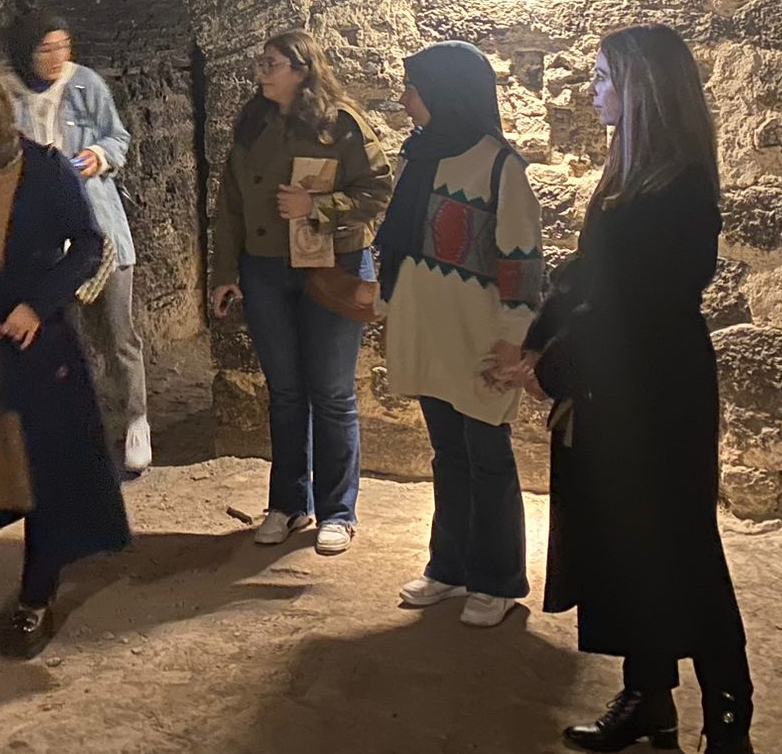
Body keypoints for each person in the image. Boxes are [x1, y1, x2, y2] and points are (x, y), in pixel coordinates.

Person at [488, 26, 753, 754]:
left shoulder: (680, 190)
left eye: (604, 77)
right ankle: (647, 700)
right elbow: (588, 273)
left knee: (682, 550)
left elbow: (638, 310)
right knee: (625, 546)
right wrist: (538, 338)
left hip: (657, 388)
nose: (592, 89)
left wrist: (551, 370)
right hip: (616, 383)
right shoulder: (629, 176)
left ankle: (730, 720)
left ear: (642, 89)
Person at [0, 68, 130, 666]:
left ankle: (35, 599)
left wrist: (38, 304)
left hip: (38, 352)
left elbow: (87, 245)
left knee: (43, 477)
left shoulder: (47, 171)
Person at [374, 41, 547, 629]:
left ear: (446, 92)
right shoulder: (418, 156)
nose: (405, 100)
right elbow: (400, 242)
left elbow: (522, 260)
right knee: (448, 454)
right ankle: (449, 566)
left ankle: (497, 578)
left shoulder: (499, 167)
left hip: (478, 337)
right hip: (429, 329)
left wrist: (514, 335)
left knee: (487, 456)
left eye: (413, 88)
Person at [209, 31, 393, 553]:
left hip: (329, 267)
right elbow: (231, 203)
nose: (261, 73)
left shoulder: (342, 124)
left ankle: (338, 511)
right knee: (286, 392)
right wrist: (225, 271)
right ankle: (289, 504)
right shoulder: (253, 121)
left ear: (302, 69)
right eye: (261, 63)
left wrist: (317, 208)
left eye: (271, 64)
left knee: (331, 393)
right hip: (266, 269)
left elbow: (378, 189)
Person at [1, 13, 152, 476]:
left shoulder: (85, 83)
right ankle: (80, 431)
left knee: (118, 333)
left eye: (63, 46)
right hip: (44, 237)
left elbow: (117, 135)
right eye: (46, 48)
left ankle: (136, 422)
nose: (57, 57)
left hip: (98, 226)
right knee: (67, 339)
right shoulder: (8, 92)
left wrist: (99, 155)